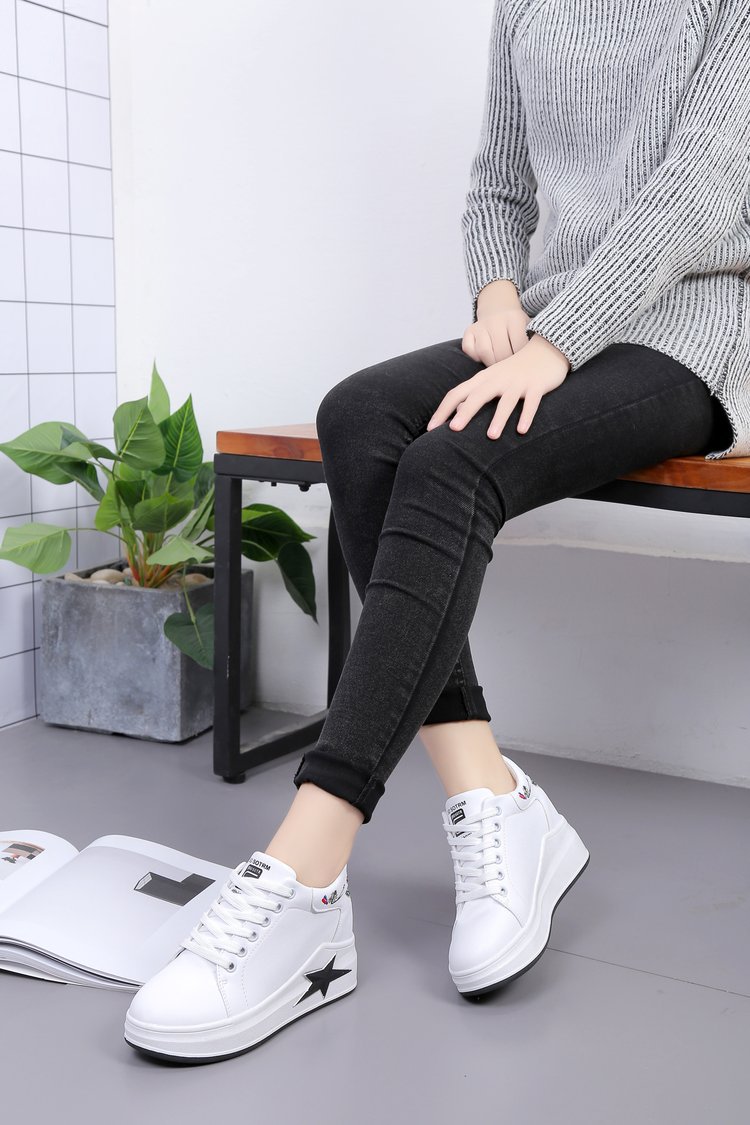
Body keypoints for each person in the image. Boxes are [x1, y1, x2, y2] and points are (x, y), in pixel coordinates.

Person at [123, 0, 749, 1063]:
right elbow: (498, 183)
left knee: (451, 461)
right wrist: (500, 290)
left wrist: (559, 340)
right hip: (550, 321)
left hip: (691, 330)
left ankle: (310, 870)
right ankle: (491, 796)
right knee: (360, 415)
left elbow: (704, 185)